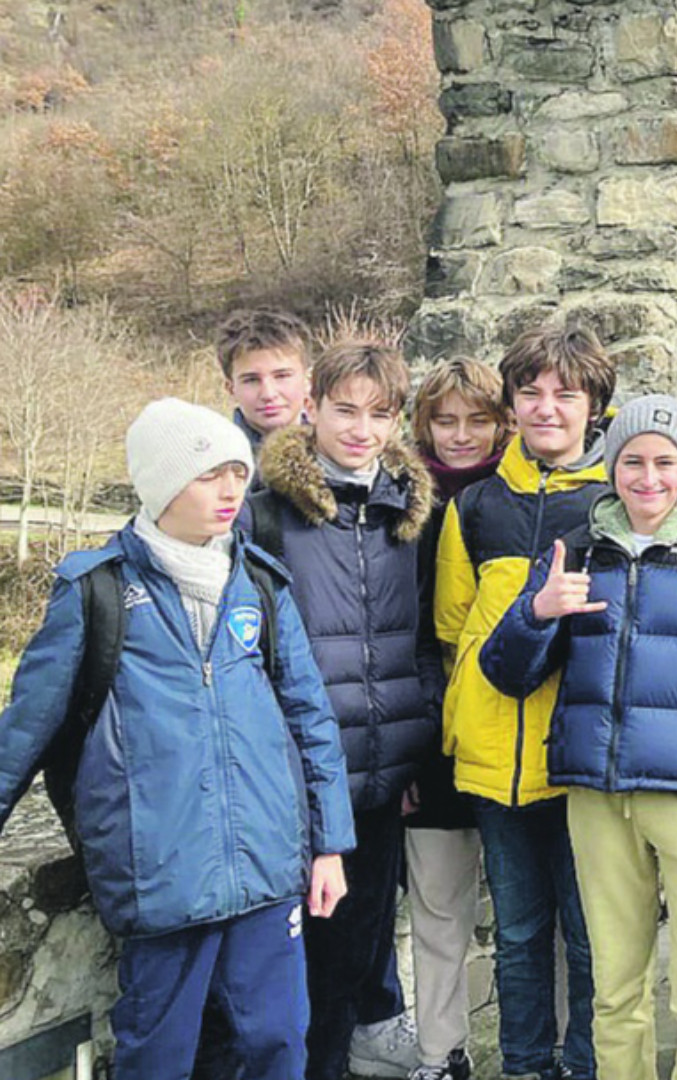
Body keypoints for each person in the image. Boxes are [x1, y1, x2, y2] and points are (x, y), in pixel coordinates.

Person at [0, 398, 354, 1080]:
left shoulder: (260, 583)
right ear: (161, 484)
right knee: (158, 1053)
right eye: (209, 475)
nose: (230, 491)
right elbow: (26, 728)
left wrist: (330, 844)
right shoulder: (95, 591)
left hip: (265, 866)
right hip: (158, 871)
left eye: (237, 472)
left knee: (278, 1042)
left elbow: (310, 720)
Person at [479, 394, 677, 1080]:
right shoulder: (579, 550)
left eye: (665, 462)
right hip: (597, 797)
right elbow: (505, 674)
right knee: (613, 989)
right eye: (633, 461)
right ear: (612, 466)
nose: (648, 478)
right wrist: (537, 615)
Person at [248, 342, 440, 1080]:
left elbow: (425, 641)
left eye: (380, 414)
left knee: (352, 962)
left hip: (381, 785)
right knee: (291, 972)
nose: (361, 430)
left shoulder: (410, 517)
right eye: (345, 410)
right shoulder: (267, 518)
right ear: (313, 407)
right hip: (295, 784)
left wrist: (414, 737)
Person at [436, 325, 618, 1080]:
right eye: (531, 392)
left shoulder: (615, 503)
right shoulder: (476, 506)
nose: (547, 408)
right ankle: (522, 1065)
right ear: (511, 404)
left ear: (595, 408)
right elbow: (452, 627)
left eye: (565, 394)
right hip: (493, 761)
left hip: (578, 759)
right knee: (516, 934)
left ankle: (583, 1066)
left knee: (588, 935)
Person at [404, 357, 513, 1080]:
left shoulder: (516, 499)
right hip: (432, 735)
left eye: (478, 419)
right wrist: (411, 748)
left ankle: (550, 1045)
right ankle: (441, 1051)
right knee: (438, 911)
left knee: (528, 917)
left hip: (510, 737)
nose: (461, 435)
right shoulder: (398, 507)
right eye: (445, 420)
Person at [218, 309, 314, 450]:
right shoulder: (218, 460)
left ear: (308, 380)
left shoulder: (339, 452)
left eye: (282, 376)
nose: (268, 394)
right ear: (231, 388)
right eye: (251, 380)